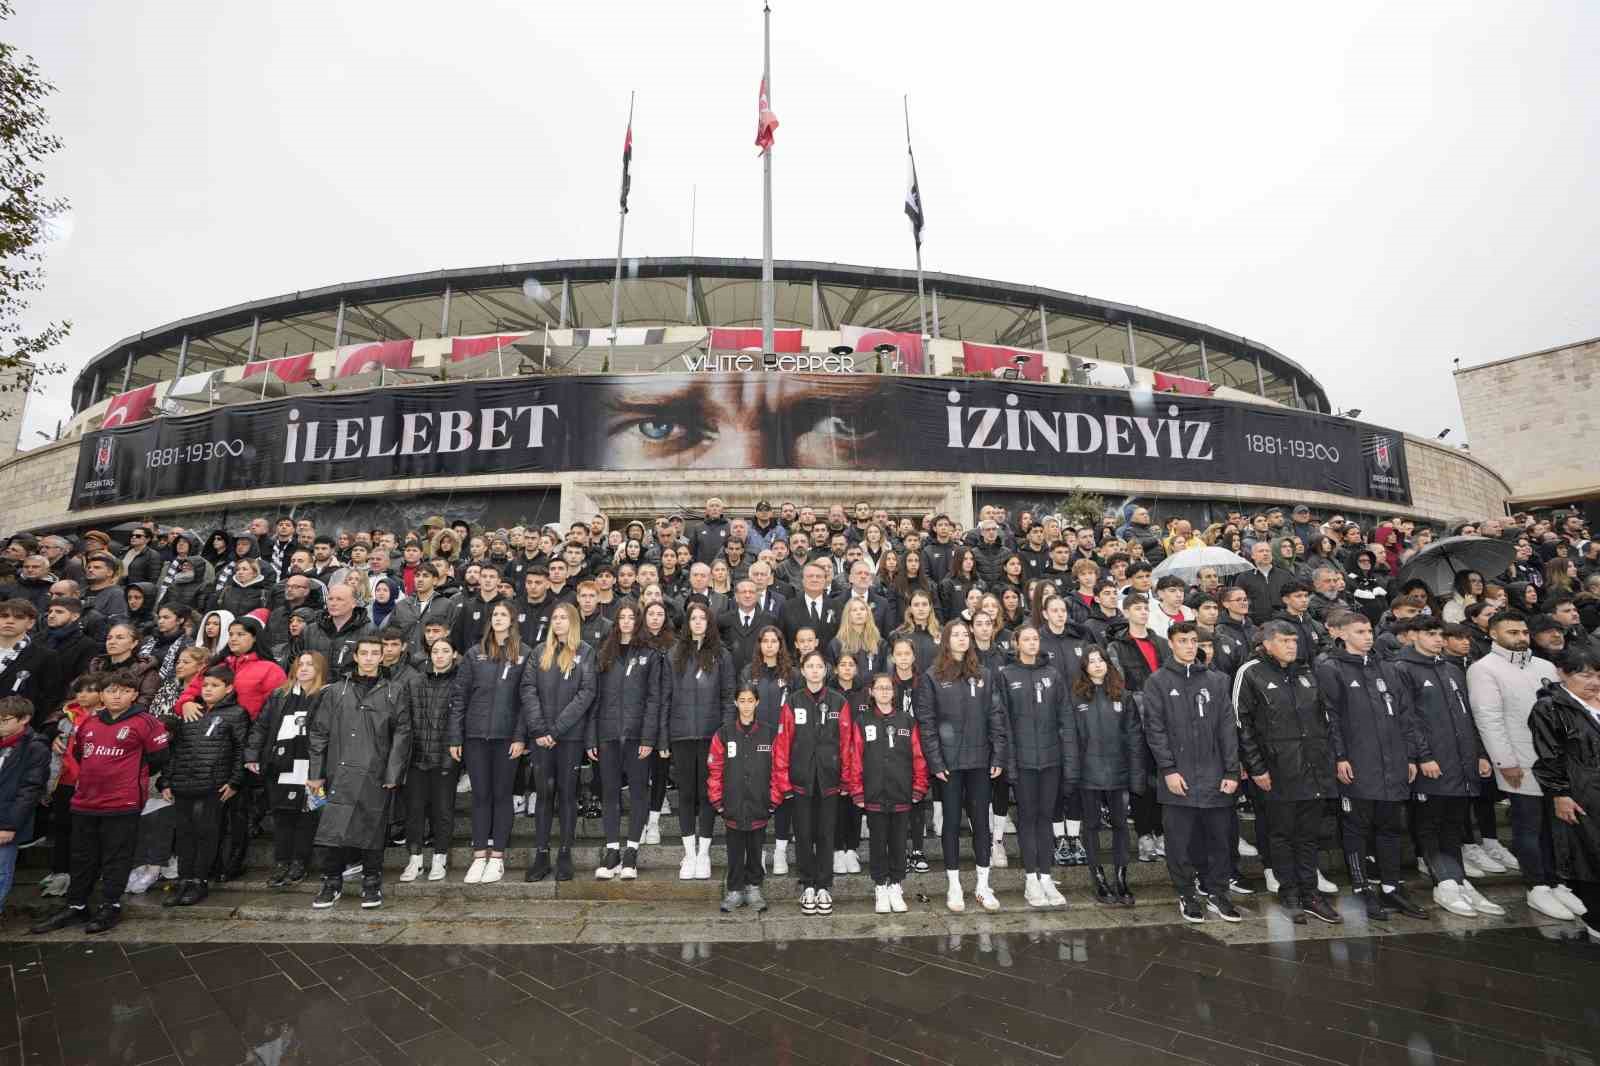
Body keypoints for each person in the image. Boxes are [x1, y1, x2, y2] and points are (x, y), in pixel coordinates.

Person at [30, 670, 171, 935]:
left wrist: (129, 777)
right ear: (102, 695)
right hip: (85, 801)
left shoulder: (145, 722)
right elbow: (82, 754)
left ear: (134, 694)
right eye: (110, 690)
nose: (116, 696)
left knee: (116, 857)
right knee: (82, 856)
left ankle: (111, 905)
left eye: (123, 691)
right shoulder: (90, 723)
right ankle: (76, 906)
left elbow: (159, 758)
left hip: (122, 802)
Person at [1314, 611, 1431, 920]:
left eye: (1369, 630)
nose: (1368, 636)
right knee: (1356, 829)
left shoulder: (1388, 669)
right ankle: (1361, 887)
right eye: (1360, 631)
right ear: (1342, 634)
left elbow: (1407, 715)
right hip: (1358, 763)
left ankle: (1392, 888)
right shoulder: (1331, 668)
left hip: (1393, 763)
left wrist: (1411, 755)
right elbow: (1330, 718)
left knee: (1390, 827)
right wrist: (1340, 757)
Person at [1466, 610, 1575, 918]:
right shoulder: (1483, 669)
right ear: (1494, 635)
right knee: (1528, 825)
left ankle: (1554, 882)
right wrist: (1504, 761)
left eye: (1524, 632)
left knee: (1554, 826)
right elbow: (1488, 718)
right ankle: (1536, 887)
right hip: (1520, 761)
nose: (1520, 638)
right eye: (1512, 632)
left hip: (1554, 761)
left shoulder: (1544, 666)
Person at [1393, 618, 1502, 918]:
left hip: (1461, 763)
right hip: (1432, 763)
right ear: (1414, 635)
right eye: (1430, 634)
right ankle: (1445, 883)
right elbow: (1407, 719)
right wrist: (1423, 756)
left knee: (1454, 825)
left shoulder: (1452, 669)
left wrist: (1479, 753)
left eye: (1441, 634)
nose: (1438, 639)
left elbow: (1468, 716)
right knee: (1430, 824)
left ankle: (1459, 879)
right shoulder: (1402, 669)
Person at [1235, 620, 1342, 925]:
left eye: (1294, 641)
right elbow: (1241, 725)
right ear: (1267, 644)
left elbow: (1325, 719)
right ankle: (1290, 893)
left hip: (1313, 768)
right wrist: (1256, 768)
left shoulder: (1307, 672)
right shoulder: (1250, 672)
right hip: (1277, 770)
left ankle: (1310, 893)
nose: (1292, 646)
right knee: (1281, 835)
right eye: (1284, 641)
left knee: (1309, 835)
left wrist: (1328, 759)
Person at [1141, 622, 1243, 924]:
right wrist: (1169, 769)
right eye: (1182, 640)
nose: (1188, 645)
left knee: (1219, 840)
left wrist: (1232, 771)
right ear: (1170, 644)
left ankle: (1217, 893)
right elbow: (1155, 730)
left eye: (1192, 640)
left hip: (1216, 776)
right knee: (1180, 842)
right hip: (1179, 778)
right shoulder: (1157, 682)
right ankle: (1186, 894)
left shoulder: (1216, 681)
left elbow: (1228, 729)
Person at [307, 636, 412, 911]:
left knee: (373, 829)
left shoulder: (394, 691)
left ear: (382, 657)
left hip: (374, 773)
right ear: (355, 656)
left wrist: (393, 774)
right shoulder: (336, 691)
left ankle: (371, 881)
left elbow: (402, 734)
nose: (368, 658)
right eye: (363, 653)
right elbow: (318, 733)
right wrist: (316, 773)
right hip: (337, 772)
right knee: (332, 830)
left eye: (374, 653)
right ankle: (331, 883)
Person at [915, 620, 1008, 914]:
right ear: (945, 640)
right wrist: (936, 761)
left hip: (980, 761)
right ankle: (954, 885)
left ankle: (983, 885)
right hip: (949, 765)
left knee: (982, 823)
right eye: (955, 634)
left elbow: (996, 717)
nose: (961, 639)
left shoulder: (985, 675)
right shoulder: (932, 676)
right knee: (952, 824)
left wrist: (998, 756)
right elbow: (927, 724)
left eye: (965, 635)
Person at [993, 624, 1075, 910]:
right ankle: (1031, 879)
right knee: (1028, 817)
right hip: (1024, 761)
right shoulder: (1006, 675)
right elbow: (1003, 722)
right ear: (1016, 643)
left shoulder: (1053, 674)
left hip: (1051, 760)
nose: (1031, 643)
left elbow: (1065, 718)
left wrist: (1068, 758)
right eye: (1025, 639)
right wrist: (1010, 763)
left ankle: (1046, 876)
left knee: (1046, 817)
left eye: (1035, 639)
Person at [448, 602, 529, 885]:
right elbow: (460, 697)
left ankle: (497, 858)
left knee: (501, 794)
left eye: (503, 615)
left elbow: (525, 701)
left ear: (512, 620)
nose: (498, 619)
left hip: (507, 738)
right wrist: (456, 735)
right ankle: (479, 854)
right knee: (480, 795)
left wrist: (521, 736)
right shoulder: (474, 654)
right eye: (494, 615)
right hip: (475, 736)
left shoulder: (524, 653)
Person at [157, 665, 249, 908]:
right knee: (184, 834)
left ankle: (199, 880)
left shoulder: (237, 713)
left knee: (207, 832)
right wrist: (166, 780)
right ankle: (184, 879)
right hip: (183, 782)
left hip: (214, 784)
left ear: (228, 688)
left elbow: (241, 750)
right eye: (205, 685)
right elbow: (174, 750)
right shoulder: (190, 711)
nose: (208, 689)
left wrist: (235, 781)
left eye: (215, 685)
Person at [520, 602, 596, 883]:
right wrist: (540, 729)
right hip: (540, 737)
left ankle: (565, 853)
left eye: (564, 617)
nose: (559, 622)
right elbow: (527, 689)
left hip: (570, 737)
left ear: (574, 622)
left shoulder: (586, 652)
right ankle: (541, 854)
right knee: (544, 793)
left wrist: (557, 730)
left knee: (566, 794)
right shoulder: (539, 652)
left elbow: (586, 693)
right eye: (555, 618)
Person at [1529, 644, 1600, 939]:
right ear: (1562, 673)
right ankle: (1595, 918)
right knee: (1589, 855)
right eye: (1584, 676)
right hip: (1580, 792)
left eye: (1597, 674)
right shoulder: (1549, 708)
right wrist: (1559, 792)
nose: (1593, 681)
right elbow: (1549, 755)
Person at [843, 672, 929, 914]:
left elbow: (918, 757)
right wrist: (857, 790)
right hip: (874, 795)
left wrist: (919, 786)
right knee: (878, 842)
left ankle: (896, 885)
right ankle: (881, 886)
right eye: (879, 688)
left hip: (901, 793)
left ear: (894, 692)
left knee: (899, 841)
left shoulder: (907, 721)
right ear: (871, 692)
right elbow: (855, 758)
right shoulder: (863, 721)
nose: (883, 692)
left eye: (888, 688)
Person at [591, 601, 663, 880]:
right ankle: (612, 852)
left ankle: (631, 852)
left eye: (631, 617)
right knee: (609, 793)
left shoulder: (649, 653)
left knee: (638, 793)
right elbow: (594, 698)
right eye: (621, 617)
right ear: (616, 621)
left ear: (638, 621)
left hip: (636, 736)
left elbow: (654, 698)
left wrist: (648, 736)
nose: (626, 621)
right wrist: (591, 738)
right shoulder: (604, 653)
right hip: (607, 734)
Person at [665, 601, 736, 881]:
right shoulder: (674, 655)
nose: (697, 622)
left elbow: (728, 695)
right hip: (681, 734)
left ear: (709, 624)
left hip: (711, 735)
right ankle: (689, 853)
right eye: (693, 618)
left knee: (708, 794)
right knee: (686, 794)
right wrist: (663, 737)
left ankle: (704, 851)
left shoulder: (722, 655)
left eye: (702, 618)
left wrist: (725, 733)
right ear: (686, 623)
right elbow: (665, 697)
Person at [708, 681, 790, 913]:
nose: (746, 706)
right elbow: (715, 769)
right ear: (735, 702)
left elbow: (778, 768)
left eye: (750, 701)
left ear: (757, 703)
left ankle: (754, 888)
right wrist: (718, 800)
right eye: (741, 701)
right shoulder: (724, 734)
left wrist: (773, 799)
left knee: (756, 849)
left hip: (759, 805)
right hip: (732, 805)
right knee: (734, 851)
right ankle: (734, 891)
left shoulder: (769, 733)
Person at [1070, 646, 1144, 906]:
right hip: (1088, 774)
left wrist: (1136, 775)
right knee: (1091, 826)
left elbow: (1135, 739)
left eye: (1101, 660)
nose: (1097, 664)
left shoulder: (1123, 697)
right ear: (1084, 668)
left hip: (1118, 772)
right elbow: (1071, 739)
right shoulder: (1075, 698)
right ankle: (1099, 879)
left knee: (1121, 825)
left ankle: (1122, 878)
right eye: (1091, 661)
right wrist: (1073, 773)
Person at [247, 651, 327, 888]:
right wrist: (252, 754)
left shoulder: (327, 695)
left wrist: (323, 771)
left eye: (310, 665)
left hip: (314, 768)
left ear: (320, 669)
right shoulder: (279, 694)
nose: (303, 669)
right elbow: (261, 726)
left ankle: (300, 862)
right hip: (280, 765)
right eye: (300, 664)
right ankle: (281, 862)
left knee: (309, 814)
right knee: (282, 815)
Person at [783, 650, 851, 916]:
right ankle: (807, 884)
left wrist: (845, 776)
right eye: (809, 666)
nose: (814, 670)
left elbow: (846, 744)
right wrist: (783, 778)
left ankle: (824, 885)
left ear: (826, 670)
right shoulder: (793, 702)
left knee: (825, 834)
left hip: (830, 780)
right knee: (803, 834)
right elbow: (784, 742)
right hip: (801, 780)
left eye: (818, 666)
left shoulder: (839, 702)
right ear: (802, 670)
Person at [399, 639, 459, 884]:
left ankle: (439, 857)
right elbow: (406, 721)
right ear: (429, 655)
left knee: (443, 810)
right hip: (417, 758)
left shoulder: (459, 683)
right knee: (414, 811)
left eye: (446, 651)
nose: (440, 656)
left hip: (446, 757)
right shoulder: (414, 682)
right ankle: (414, 859)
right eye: (436, 651)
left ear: (454, 654)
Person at [0, 696, 49, 918]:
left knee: (1, 869)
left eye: (5, 720)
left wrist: (10, 825)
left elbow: (30, 790)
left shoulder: (35, 747)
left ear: (24, 719)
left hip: (8, 819)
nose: (1, 724)